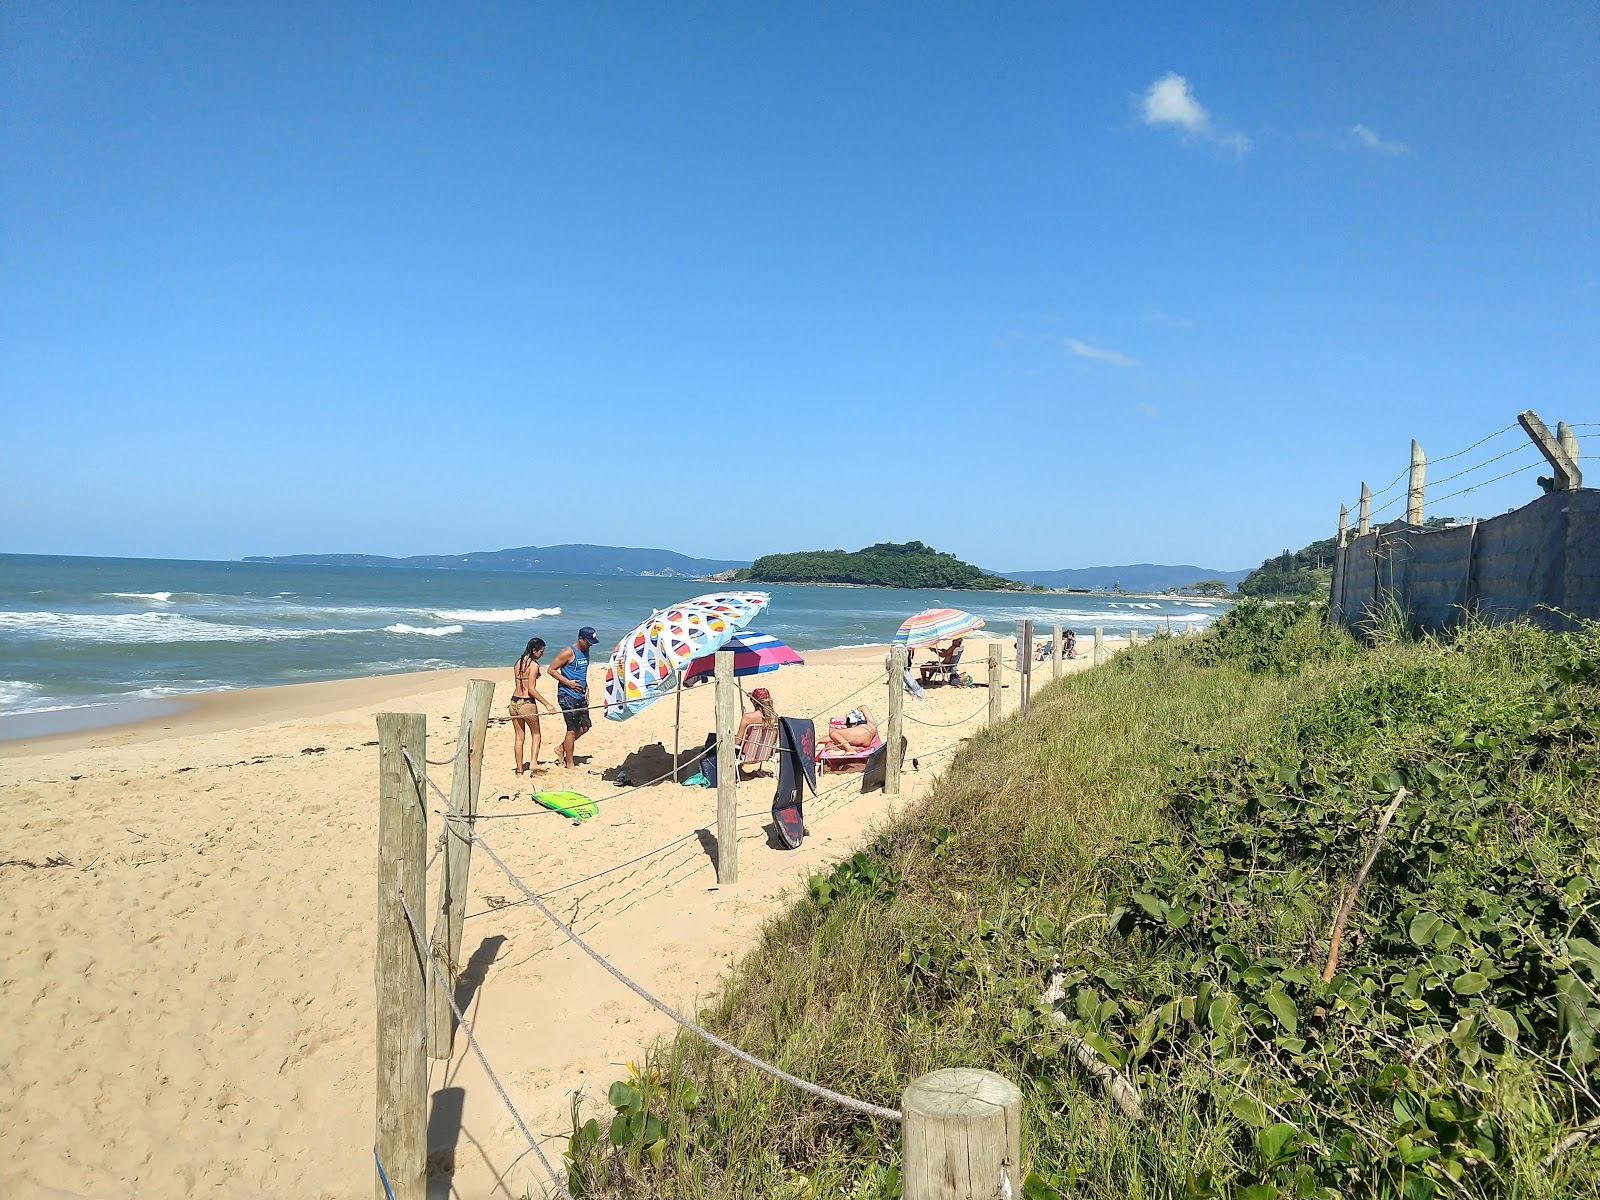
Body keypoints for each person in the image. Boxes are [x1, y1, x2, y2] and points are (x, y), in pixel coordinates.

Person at [547, 626, 599, 768]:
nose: (590, 645)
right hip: (567, 695)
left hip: (581, 694)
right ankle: (569, 763)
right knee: (571, 729)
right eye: (588, 642)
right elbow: (551, 670)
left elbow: (582, 672)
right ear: (580, 638)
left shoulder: (586, 651)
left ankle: (561, 748)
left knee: (585, 726)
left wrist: (587, 688)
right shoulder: (568, 652)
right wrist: (568, 682)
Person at [509, 637, 556, 775]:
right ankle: (533, 762)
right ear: (534, 650)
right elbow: (531, 689)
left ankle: (519, 770)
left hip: (514, 702)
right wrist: (547, 704)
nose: (542, 654)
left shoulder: (518, 663)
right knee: (536, 733)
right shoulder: (534, 666)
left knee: (519, 737)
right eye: (541, 651)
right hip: (527, 703)